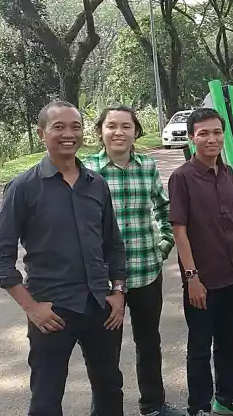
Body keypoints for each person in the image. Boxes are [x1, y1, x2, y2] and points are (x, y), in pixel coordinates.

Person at [0, 101, 127, 416]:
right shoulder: (23, 188)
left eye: (75, 127)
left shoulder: (97, 185)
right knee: (47, 399)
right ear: (41, 133)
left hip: (100, 308)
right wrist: (31, 307)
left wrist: (118, 292)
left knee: (109, 389)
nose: (69, 134)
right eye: (59, 127)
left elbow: (113, 245)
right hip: (52, 311)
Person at [83, 106, 183, 416]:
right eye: (111, 126)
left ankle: (153, 404)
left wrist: (163, 245)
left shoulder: (147, 166)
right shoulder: (87, 171)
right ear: (101, 131)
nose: (119, 132)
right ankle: (105, 410)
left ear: (135, 132)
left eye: (126, 126)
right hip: (105, 281)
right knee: (105, 350)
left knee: (149, 343)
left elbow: (164, 209)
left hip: (146, 272)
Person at [168, 107, 233, 416]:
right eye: (203, 133)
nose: (211, 139)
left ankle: (227, 397)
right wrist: (191, 277)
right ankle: (199, 407)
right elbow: (179, 231)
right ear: (192, 138)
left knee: (227, 342)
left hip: (232, 273)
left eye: (217, 132)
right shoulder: (182, 178)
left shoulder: (228, 173)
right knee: (199, 348)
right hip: (202, 280)